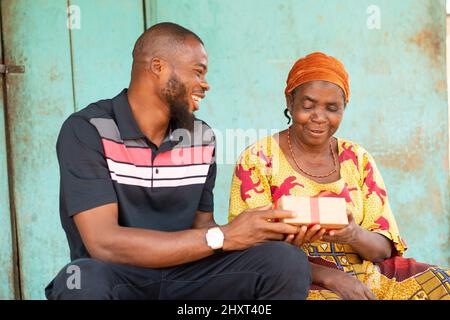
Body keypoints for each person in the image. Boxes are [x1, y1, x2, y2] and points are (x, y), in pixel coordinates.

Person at [45, 22, 312, 300]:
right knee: (78, 281)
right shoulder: (88, 130)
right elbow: (104, 243)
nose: (205, 84)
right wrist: (223, 235)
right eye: (198, 72)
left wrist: (265, 233)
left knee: (284, 261)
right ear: (158, 67)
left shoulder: (200, 136)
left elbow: (203, 227)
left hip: (188, 277)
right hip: (118, 277)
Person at [228, 52, 450, 300]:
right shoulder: (258, 158)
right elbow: (248, 247)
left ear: (344, 108)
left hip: (368, 275)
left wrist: (352, 233)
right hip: (297, 278)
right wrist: (331, 276)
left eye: (332, 108)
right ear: (290, 101)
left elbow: (382, 249)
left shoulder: (358, 159)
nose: (319, 117)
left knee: (444, 283)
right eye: (308, 105)